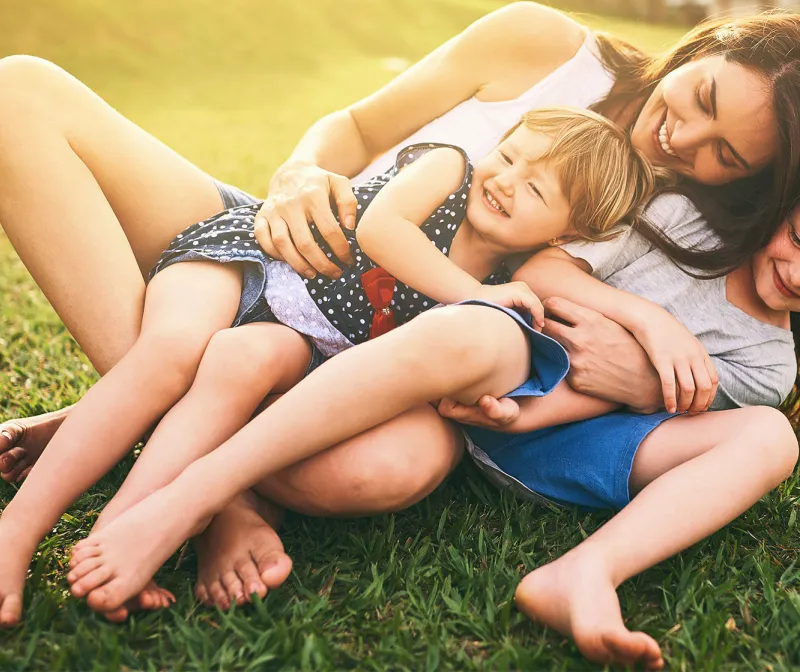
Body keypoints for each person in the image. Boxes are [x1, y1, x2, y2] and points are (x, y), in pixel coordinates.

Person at [0, 3, 799, 627]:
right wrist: (298, 174)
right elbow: (354, 129)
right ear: (707, 45)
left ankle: (160, 442)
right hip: (314, 256)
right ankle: (213, 488)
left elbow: (648, 334)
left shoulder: (677, 205)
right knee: (20, 92)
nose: (681, 137)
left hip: (384, 356)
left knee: (381, 471)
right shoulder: (544, 47)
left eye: (724, 154)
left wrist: (640, 378)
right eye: (700, 96)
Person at [64, 191, 800, 672]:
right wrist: (651, 320)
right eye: (798, 236)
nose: (797, 270)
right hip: (484, 366)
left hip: (566, 438)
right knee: (343, 458)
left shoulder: (771, 360)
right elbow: (548, 269)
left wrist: (526, 412)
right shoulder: (685, 221)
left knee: (769, 436)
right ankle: (199, 493)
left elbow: (664, 406)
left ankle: (587, 572)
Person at [0, 106, 659, 617]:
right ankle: (18, 532)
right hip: (249, 265)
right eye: (511, 155)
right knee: (170, 354)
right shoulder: (450, 170)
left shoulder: (516, 279)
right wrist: (478, 293)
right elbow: (380, 231)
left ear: (565, 233)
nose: (508, 181)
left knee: (240, 360)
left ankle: (122, 538)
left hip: (297, 345)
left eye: (537, 189)